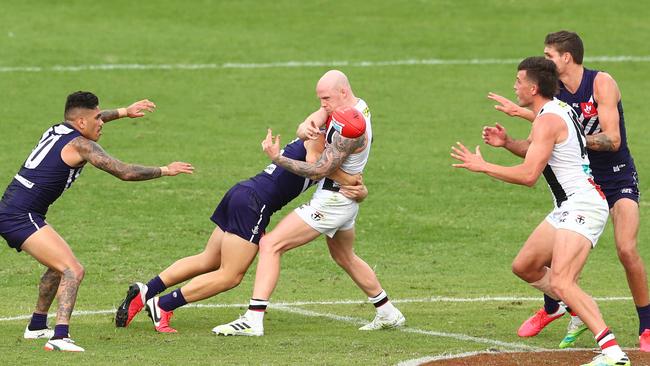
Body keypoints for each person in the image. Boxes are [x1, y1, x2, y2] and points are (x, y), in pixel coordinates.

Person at [454, 57, 629, 366]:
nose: (514, 86)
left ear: (532, 87)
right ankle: (575, 305)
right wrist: (508, 142)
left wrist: (483, 166)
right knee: (526, 265)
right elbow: (541, 148)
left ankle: (614, 354)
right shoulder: (557, 110)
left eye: (518, 81)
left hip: (582, 204)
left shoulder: (548, 119)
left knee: (562, 282)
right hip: (568, 205)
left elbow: (528, 175)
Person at [211, 70, 405, 337]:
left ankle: (253, 319)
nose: (323, 104)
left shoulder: (351, 129)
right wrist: (305, 128)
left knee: (271, 244)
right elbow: (314, 121)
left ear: (343, 93)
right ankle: (388, 312)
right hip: (341, 197)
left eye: (326, 98)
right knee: (344, 256)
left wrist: (277, 157)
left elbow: (317, 168)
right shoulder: (349, 108)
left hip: (334, 200)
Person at [487, 30, 648, 351]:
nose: (544, 60)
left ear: (566, 57)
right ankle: (557, 307)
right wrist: (508, 142)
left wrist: (566, 140)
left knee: (626, 250)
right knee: (539, 261)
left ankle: (646, 327)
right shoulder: (554, 95)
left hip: (615, 178)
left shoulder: (600, 83)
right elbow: (539, 147)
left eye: (548, 55)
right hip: (581, 184)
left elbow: (612, 139)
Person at [0, 91, 194, 352]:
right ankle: (59, 337)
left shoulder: (58, 128)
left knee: (58, 266)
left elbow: (92, 117)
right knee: (73, 270)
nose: (101, 122)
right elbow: (124, 172)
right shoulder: (81, 145)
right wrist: (165, 170)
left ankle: (36, 326)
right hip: (19, 215)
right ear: (80, 122)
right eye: (96, 118)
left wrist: (125, 111)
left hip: (16, 208)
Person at [115, 135, 367, 333]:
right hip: (254, 204)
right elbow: (318, 165)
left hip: (243, 192)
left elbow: (328, 169)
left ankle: (146, 291)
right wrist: (354, 180)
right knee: (230, 276)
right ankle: (163, 305)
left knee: (208, 259)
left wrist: (356, 185)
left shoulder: (316, 136)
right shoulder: (320, 141)